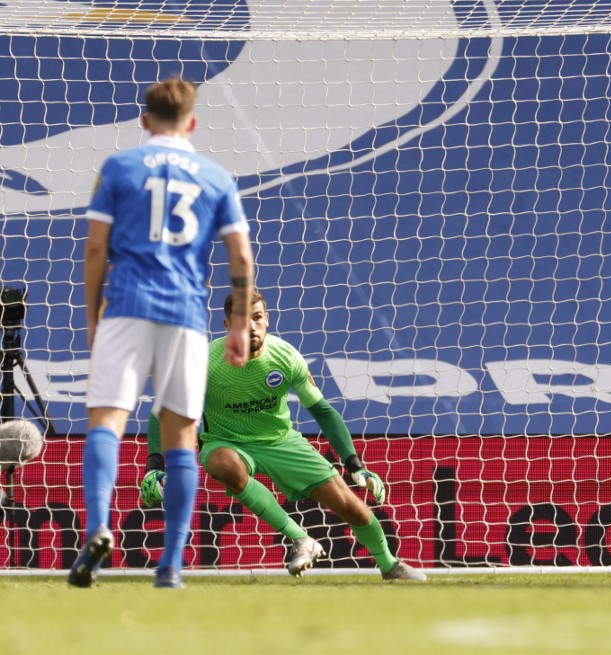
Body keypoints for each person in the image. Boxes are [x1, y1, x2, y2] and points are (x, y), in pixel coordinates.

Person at [71, 77, 254, 589]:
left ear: (144, 120)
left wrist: (92, 316)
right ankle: (171, 565)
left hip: (126, 307)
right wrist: (238, 324)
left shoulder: (120, 168)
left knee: (106, 420)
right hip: (186, 316)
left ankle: (99, 528)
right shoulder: (216, 177)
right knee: (180, 438)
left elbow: (94, 249)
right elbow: (240, 256)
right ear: (192, 123)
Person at [140, 290, 426, 581]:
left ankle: (390, 565)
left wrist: (354, 463)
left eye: (257, 318)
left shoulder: (286, 357)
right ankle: (301, 538)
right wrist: (154, 465)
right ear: (227, 326)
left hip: (281, 441)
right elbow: (161, 410)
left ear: (267, 320)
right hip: (227, 441)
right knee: (223, 464)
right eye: (241, 320)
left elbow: (323, 411)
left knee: (351, 507)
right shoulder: (203, 362)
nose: (251, 326)